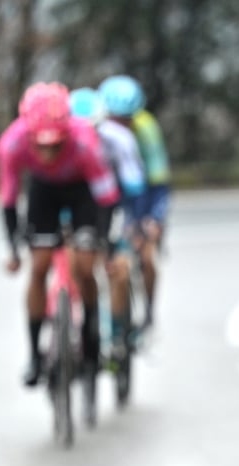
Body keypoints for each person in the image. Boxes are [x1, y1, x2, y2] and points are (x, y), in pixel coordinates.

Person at [0, 81, 120, 386]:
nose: (48, 151)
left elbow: (106, 197)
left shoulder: (85, 141)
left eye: (55, 143)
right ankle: (35, 355)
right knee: (38, 267)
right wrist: (13, 250)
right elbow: (9, 198)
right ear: (28, 134)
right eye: (40, 145)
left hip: (83, 193)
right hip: (43, 193)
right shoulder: (11, 144)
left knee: (84, 264)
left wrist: (106, 245)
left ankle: (91, 337)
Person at [69, 87, 147, 357]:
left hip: (117, 207)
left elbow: (134, 187)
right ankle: (82, 323)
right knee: (76, 263)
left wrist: (134, 227)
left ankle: (117, 334)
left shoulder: (119, 140)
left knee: (119, 269)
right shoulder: (64, 144)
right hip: (82, 210)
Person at [98, 74, 171, 331]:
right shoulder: (94, 128)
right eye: (116, 118)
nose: (122, 125)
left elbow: (158, 180)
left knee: (147, 256)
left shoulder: (146, 129)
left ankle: (149, 311)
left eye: (127, 119)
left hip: (142, 196)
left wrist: (154, 219)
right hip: (108, 195)